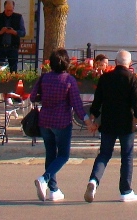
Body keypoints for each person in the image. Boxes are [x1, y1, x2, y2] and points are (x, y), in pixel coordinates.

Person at [84, 50, 137, 203]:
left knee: (104, 154)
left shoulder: (105, 78)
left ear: (116, 62)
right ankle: (125, 191)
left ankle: (94, 180)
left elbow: (97, 101)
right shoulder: (132, 79)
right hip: (126, 123)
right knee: (127, 156)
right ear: (129, 63)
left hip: (108, 122)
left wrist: (92, 118)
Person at [31, 48, 86, 202]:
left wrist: (45, 97)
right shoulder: (69, 80)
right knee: (63, 155)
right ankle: (44, 179)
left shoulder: (44, 78)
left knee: (50, 154)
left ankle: (53, 189)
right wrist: (86, 119)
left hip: (44, 120)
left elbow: (33, 97)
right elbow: (76, 103)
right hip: (62, 121)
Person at [0, 0, 26, 71]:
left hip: (13, 47)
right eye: (7, 10)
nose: (9, 12)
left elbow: (23, 33)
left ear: (13, 9)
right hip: (0, 47)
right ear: (4, 8)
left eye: (11, 10)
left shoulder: (18, 17)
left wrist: (14, 32)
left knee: (13, 69)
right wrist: (0, 32)